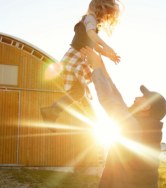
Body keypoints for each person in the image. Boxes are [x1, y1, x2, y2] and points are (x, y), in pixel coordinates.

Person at [80, 46, 166, 188]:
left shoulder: (135, 128)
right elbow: (116, 97)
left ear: (146, 107)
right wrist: (102, 69)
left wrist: (97, 69)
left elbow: (109, 101)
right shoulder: (143, 127)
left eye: (142, 97)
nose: (136, 97)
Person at [40, 0, 123, 132]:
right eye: (105, 14)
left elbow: (94, 45)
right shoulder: (89, 19)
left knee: (78, 91)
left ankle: (51, 111)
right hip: (74, 57)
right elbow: (91, 34)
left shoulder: (92, 25)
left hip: (76, 58)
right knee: (79, 92)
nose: (104, 18)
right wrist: (106, 45)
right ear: (99, 10)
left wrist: (108, 55)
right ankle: (52, 111)